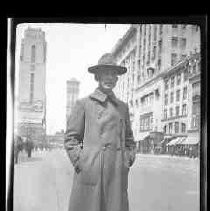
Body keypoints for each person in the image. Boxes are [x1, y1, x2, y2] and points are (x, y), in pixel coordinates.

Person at [64, 53, 136, 211]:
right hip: (91, 172)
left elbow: (129, 139)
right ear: (97, 76)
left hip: (116, 173)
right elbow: (71, 139)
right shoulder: (83, 104)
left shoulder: (123, 107)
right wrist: (82, 161)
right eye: (105, 73)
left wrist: (127, 159)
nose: (109, 78)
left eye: (113, 74)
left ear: (117, 79)